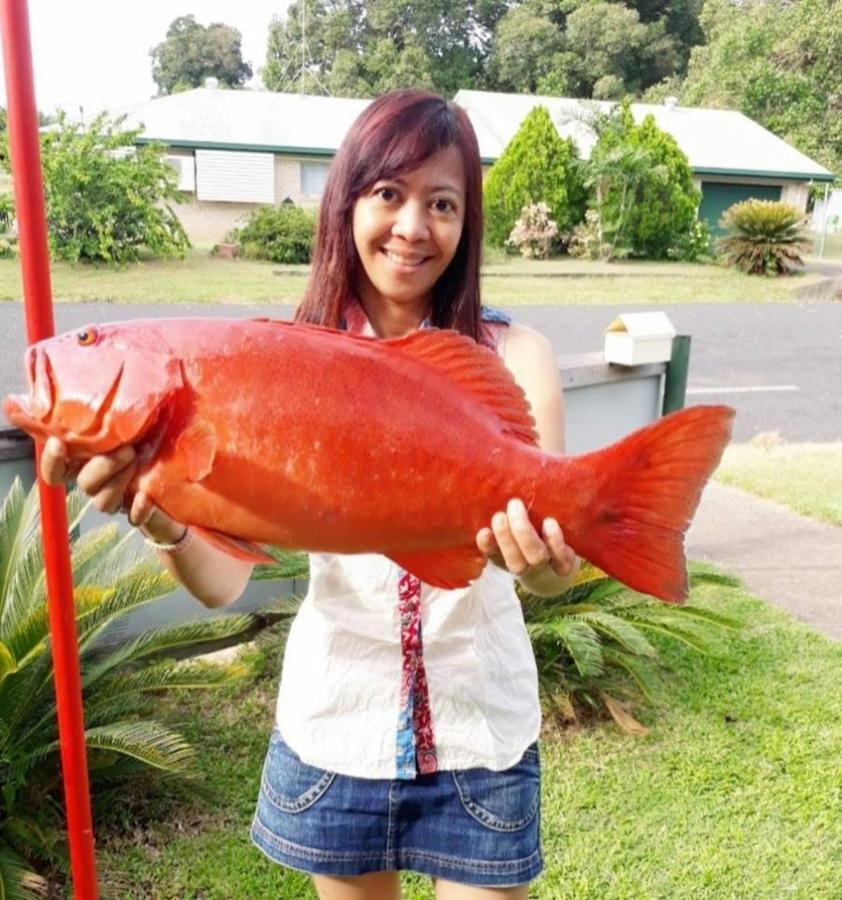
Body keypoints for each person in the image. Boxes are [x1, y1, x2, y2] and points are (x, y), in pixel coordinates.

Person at [41, 90, 580, 900]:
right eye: (387, 195)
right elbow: (225, 585)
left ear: (467, 223)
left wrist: (544, 563)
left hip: (482, 730)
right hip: (340, 729)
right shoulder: (278, 355)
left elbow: (548, 570)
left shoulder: (516, 355)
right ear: (346, 203)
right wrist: (160, 517)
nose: (412, 227)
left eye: (442, 203)